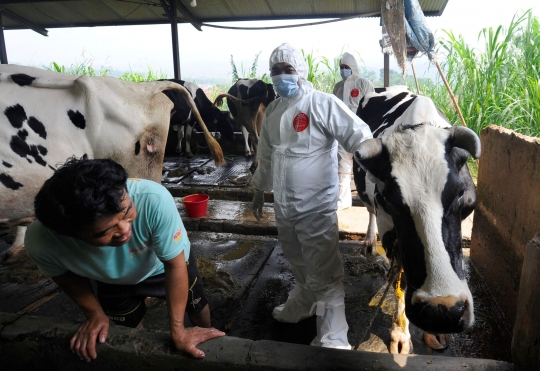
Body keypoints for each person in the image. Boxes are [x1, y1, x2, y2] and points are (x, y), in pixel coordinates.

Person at [24, 157, 224, 362]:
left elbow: (174, 265)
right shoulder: (42, 241)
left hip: (163, 264)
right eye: (107, 230)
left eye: (127, 212)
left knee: (196, 305)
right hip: (111, 277)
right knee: (127, 326)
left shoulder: (154, 199)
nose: (125, 230)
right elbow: (65, 277)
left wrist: (178, 331)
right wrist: (94, 314)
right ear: (69, 234)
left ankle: (207, 338)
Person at [251, 43, 373, 349]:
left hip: (315, 205)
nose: (281, 77)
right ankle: (304, 300)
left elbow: (358, 134)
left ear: (300, 73)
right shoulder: (275, 110)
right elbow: (266, 155)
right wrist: (258, 188)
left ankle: (334, 332)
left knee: (323, 265)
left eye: (288, 71)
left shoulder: (321, 103)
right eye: (275, 72)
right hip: (285, 206)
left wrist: (375, 166)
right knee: (296, 257)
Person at [332, 52, 375, 210]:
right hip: (342, 131)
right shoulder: (338, 86)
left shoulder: (364, 83)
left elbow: (371, 105)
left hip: (361, 131)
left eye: (346, 67)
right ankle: (343, 199)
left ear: (353, 67)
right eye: (341, 67)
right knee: (342, 166)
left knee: (365, 166)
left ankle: (370, 199)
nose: (344, 70)